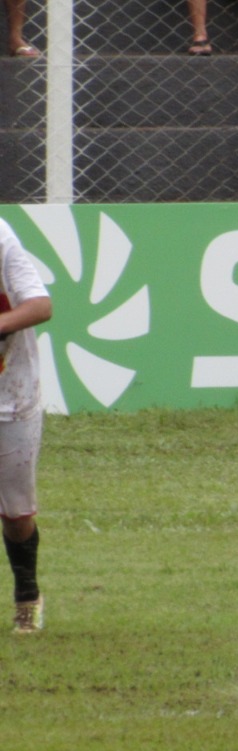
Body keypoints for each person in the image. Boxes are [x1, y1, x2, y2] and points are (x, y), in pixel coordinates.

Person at [0, 218, 53, 633]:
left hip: (10, 398)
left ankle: (28, 595)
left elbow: (40, 306)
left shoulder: (0, 236)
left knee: (16, 516)